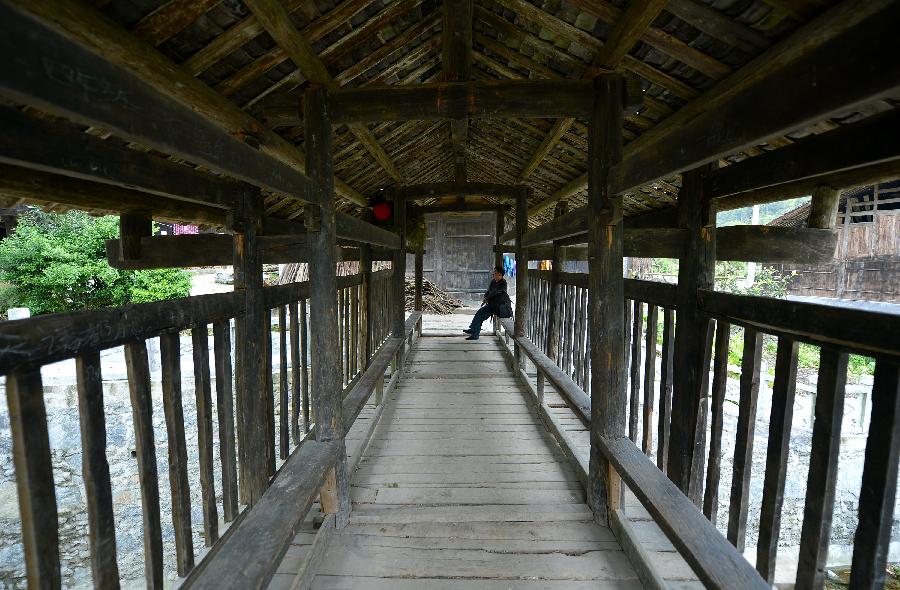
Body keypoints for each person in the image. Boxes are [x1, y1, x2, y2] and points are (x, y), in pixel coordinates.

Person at [464, 267, 512, 340]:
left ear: (500, 275)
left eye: (495, 273)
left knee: (480, 314)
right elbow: (489, 291)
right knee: (479, 314)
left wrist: (487, 298)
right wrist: (485, 297)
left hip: (500, 307)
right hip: (493, 305)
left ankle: (475, 332)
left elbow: (495, 292)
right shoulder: (493, 281)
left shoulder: (503, 283)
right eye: (494, 273)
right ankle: (474, 330)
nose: (493, 274)